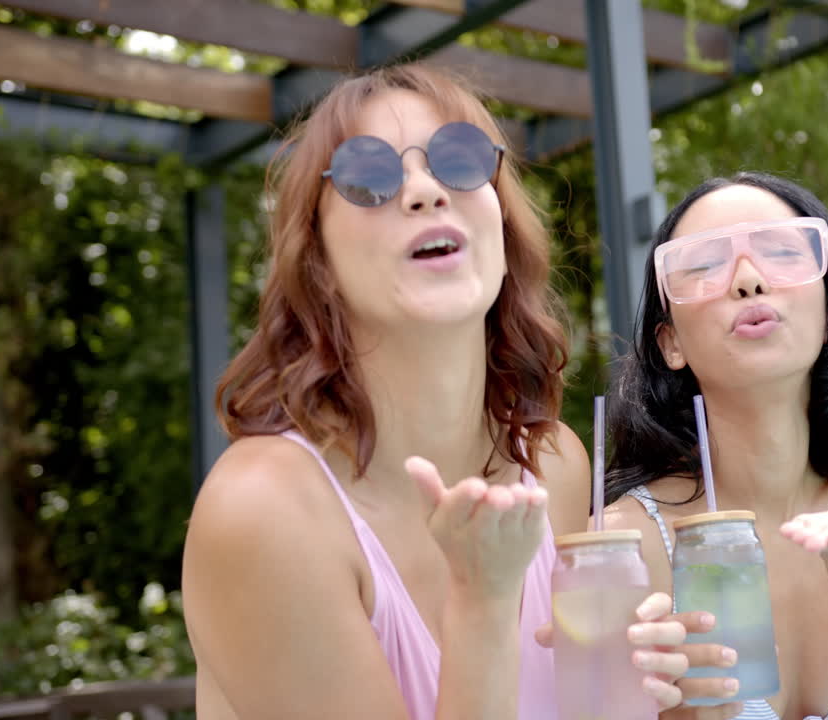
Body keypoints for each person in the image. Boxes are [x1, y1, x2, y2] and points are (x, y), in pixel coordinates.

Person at [181, 62, 692, 719]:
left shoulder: (555, 462)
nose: (424, 190)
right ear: (318, 261)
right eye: (368, 176)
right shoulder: (262, 511)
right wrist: (480, 601)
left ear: (503, 223)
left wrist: (669, 693)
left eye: (459, 158)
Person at [602, 172, 828, 720]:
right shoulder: (626, 543)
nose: (748, 280)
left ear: (827, 313)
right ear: (671, 341)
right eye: (703, 265)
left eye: (781, 253)